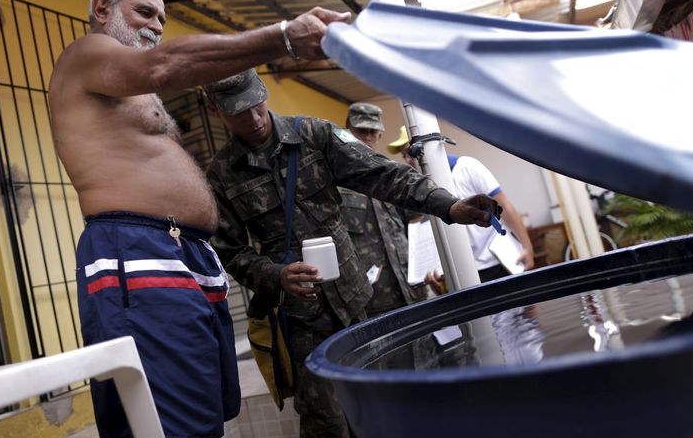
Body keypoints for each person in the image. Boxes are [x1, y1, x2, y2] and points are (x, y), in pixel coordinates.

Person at [49, 0, 352, 438]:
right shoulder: (88, 54)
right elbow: (166, 65)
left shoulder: (127, 86)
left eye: (162, 19)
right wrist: (283, 37)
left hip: (182, 254)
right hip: (136, 251)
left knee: (206, 413)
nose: (154, 27)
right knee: (171, 423)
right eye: (144, 12)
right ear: (102, 10)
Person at [204, 69, 501, 438]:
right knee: (327, 424)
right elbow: (229, 252)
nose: (253, 117)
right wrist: (274, 275)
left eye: (255, 104)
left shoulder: (315, 135)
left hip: (357, 303)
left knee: (383, 408)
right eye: (238, 111)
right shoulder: (220, 176)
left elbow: (385, 175)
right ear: (215, 110)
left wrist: (450, 206)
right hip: (298, 321)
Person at [387, 126, 535, 292]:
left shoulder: (467, 167)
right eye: (404, 155)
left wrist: (527, 246)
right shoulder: (419, 189)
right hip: (464, 274)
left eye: (411, 152)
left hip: (500, 262)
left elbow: (504, 206)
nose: (408, 160)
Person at [339, 103, 428, 316]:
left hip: (411, 290)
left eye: (373, 132)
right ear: (347, 129)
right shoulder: (333, 179)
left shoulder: (394, 175)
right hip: (369, 301)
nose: (367, 137)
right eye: (361, 131)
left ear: (380, 135)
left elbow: (417, 228)